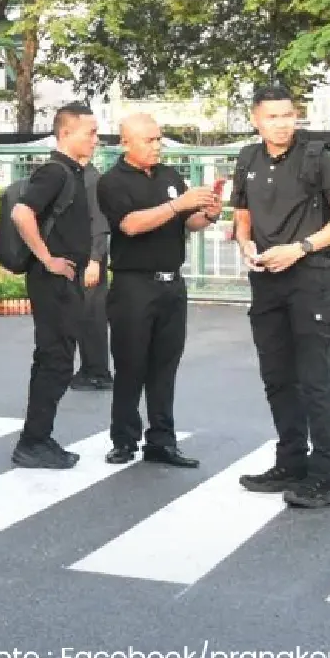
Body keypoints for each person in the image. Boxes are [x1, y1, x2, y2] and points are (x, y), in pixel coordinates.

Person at [231, 86, 330, 508]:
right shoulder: (247, 158)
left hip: (311, 279)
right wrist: (245, 245)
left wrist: (301, 248)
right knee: (277, 378)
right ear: (257, 120)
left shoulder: (316, 158)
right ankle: (290, 462)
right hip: (266, 279)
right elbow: (242, 213)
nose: (283, 123)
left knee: (314, 380)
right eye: (273, 116)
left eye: (289, 115)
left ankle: (325, 477)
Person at [95, 113, 218, 468]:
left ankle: (162, 440)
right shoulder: (112, 182)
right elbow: (131, 225)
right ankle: (124, 438)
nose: (156, 146)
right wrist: (179, 204)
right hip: (134, 285)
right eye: (148, 140)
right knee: (131, 365)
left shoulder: (169, 176)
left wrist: (208, 214)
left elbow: (186, 223)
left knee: (165, 366)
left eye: (159, 139)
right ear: (126, 143)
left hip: (171, 284)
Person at [7, 102, 102, 470]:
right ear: (66, 133)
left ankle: (38, 437)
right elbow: (21, 213)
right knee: (56, 360)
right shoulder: (56, 172)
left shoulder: (73, 172)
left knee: (53, 358)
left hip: (63, 279)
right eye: (89, 132)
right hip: (53, 280)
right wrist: (48, 259)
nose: (95, 139)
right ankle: (33, 441)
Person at [71, 161, 115, 391]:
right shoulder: (81, 176)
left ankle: (97, 372)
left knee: (92, 315)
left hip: (90, 258)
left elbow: (99, 224)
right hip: (83, 256)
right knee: (84, 315)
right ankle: (90, 368)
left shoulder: (91, 179)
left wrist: (95, 260)